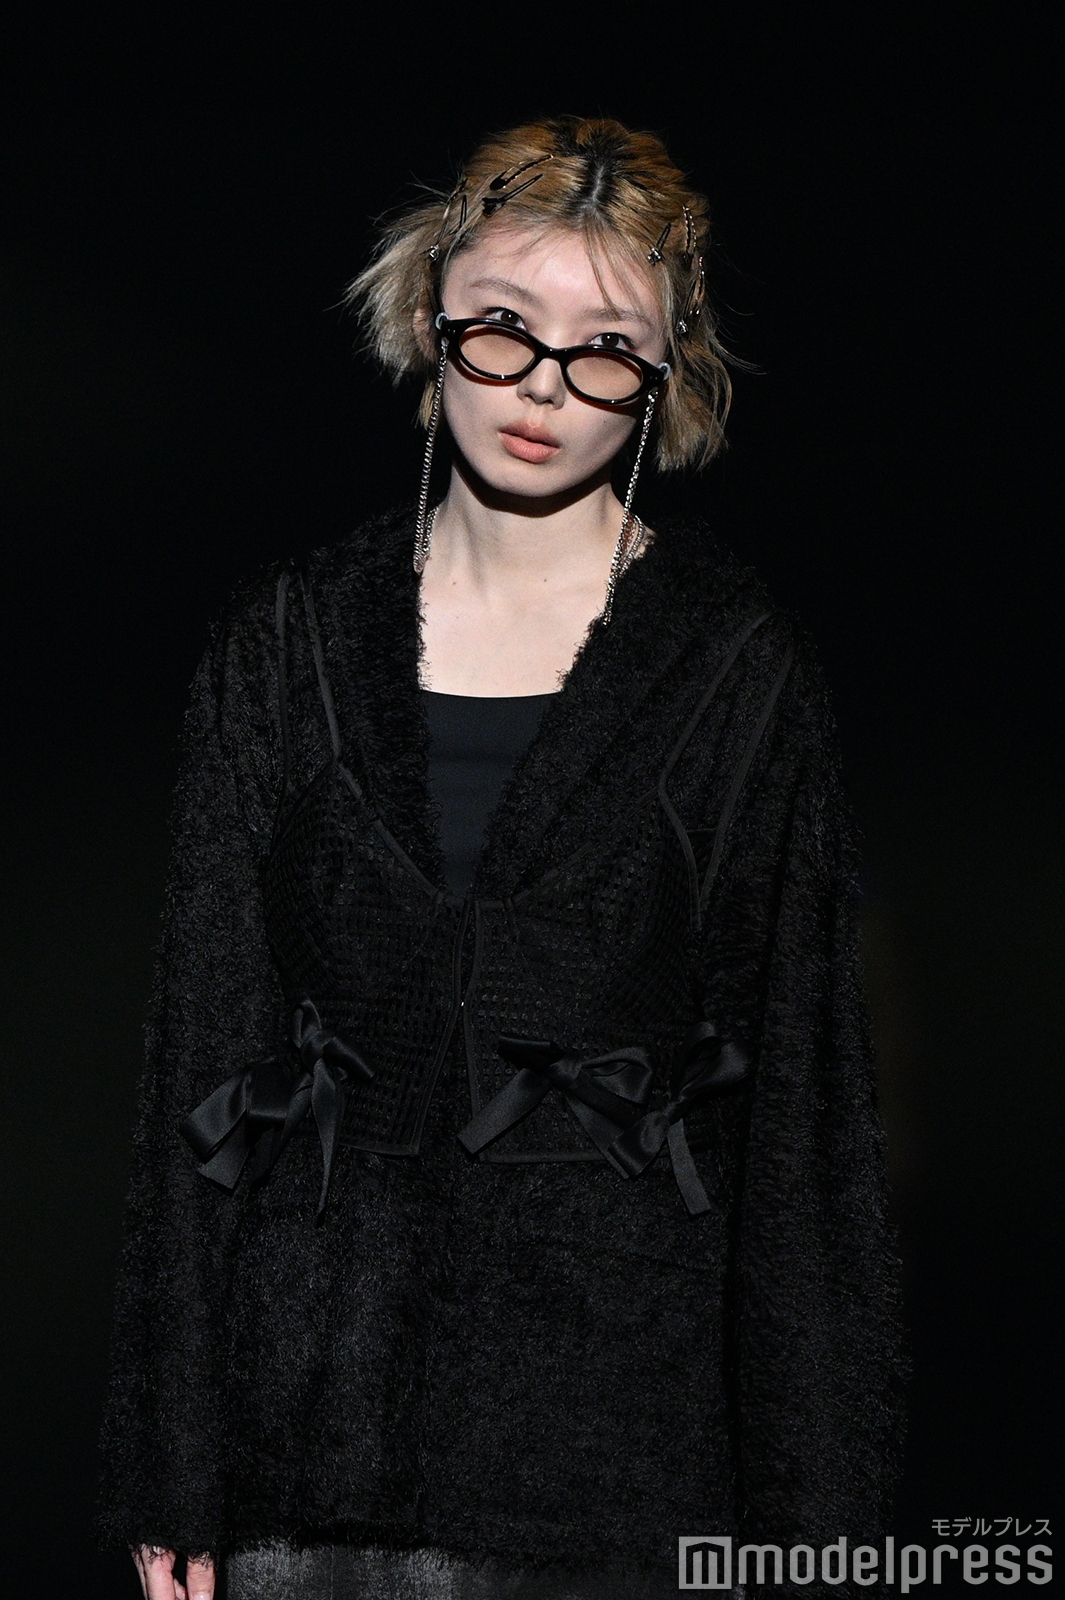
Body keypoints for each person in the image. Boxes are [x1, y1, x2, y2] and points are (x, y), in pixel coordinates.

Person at [98, 116, 906, 1600]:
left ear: (666, 375)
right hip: (300, 1460)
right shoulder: (284, 643)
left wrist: (817, 1532)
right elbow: (201, 1054)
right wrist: (172, 1463)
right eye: (504, 324)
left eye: (606, 347)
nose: (542, 383)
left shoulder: (733, 674)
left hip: (613, 1466)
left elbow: (802, 1118)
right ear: (429, 317)